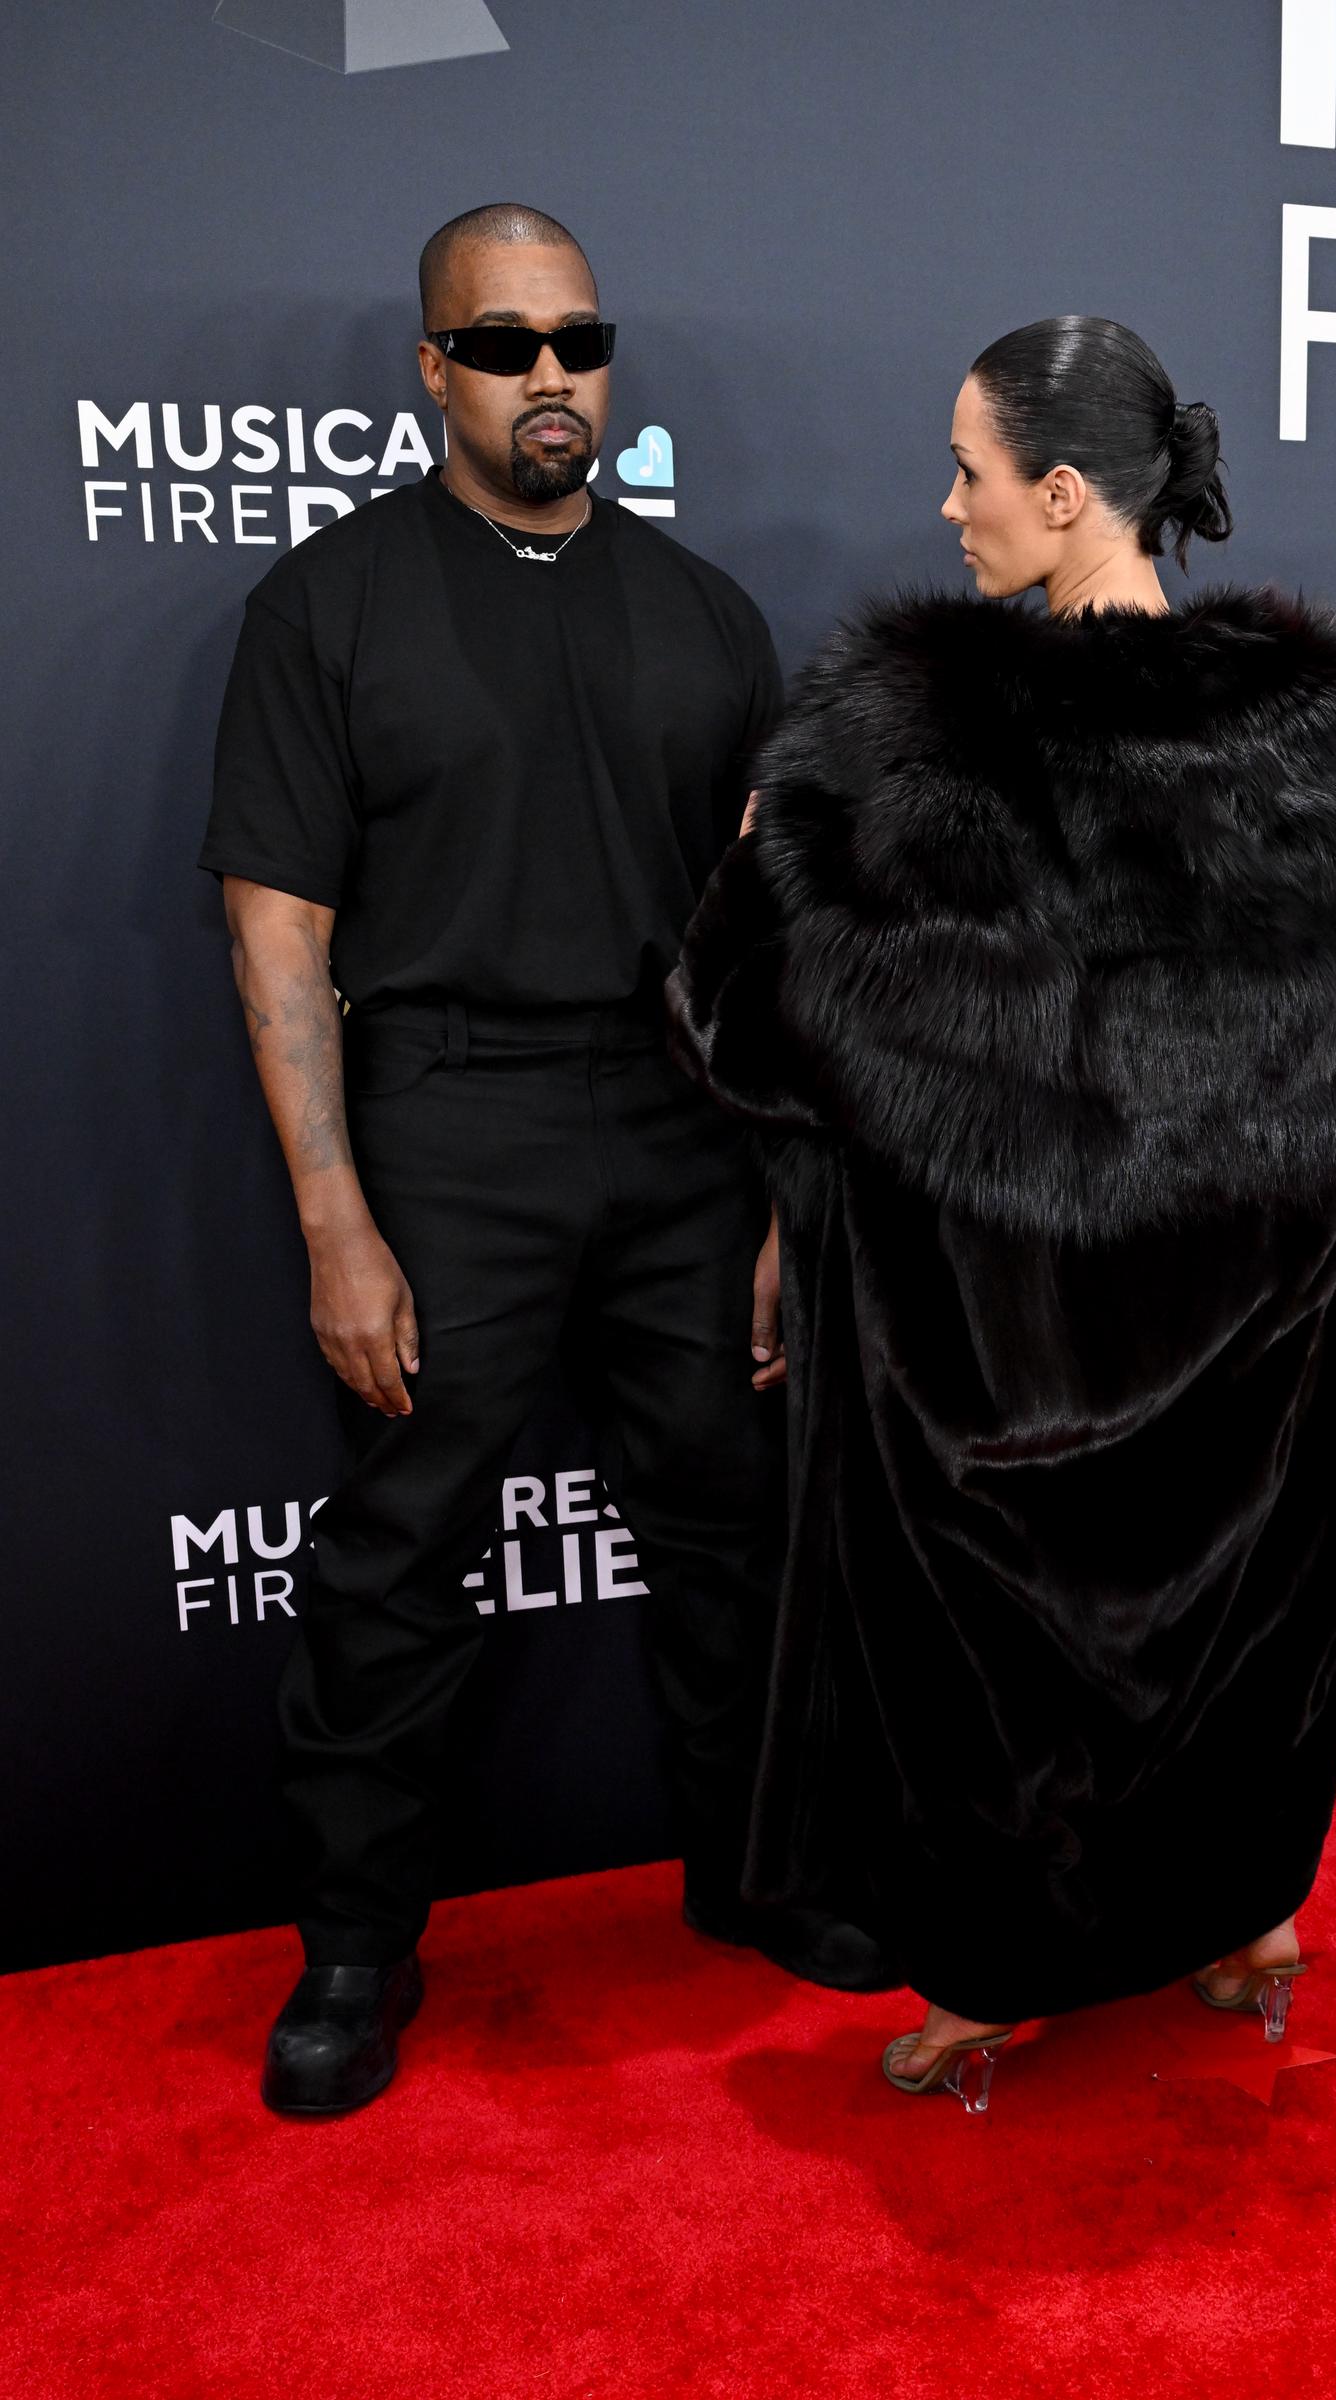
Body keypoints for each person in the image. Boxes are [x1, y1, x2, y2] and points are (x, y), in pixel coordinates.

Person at [667, 316, 1336, 2109]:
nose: (947, 506)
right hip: (1250, 1314)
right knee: (1242, 1619)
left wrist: (760, 869)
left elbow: (751, 1025)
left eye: (970, 471)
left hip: (999, 1343)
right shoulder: (1328, 744)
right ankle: (1252, 1922)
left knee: (1002, 1660)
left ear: (1062, 494)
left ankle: (994, 1979)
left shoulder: (915, 750)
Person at [200, 203, 895, 2119]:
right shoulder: (325, 606)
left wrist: (769, 1193)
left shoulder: (705, 615)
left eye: (577, 342)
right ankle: (355, 1943)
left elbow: (763, 940)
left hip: (682, 1123)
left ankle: (759, 1876)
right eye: (501, 346)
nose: (549, 379)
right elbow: (276, 931)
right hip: (446, 1122)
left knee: (730, 1528)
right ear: (433, 371)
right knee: (402, 1548)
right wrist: (339, 1220)